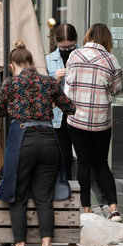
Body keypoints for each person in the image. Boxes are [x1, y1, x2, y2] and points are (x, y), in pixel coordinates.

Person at [0, 41, 76, 246]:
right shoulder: (48, 82)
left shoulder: (10, 84)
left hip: (23, 140)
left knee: (18, 196)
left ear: (12, 65)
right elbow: (70, 107)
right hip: (49, 140)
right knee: (44, 197)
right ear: (31, 62)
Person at [65, 23, 123, 222]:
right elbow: (118, 89)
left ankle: (86, 209)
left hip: (77, 118)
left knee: (83, 163)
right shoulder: (111, 59)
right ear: (107, 39)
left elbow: (68, 84)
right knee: (101, 163)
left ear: (88, 36)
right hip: (101, 120)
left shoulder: (74, 55)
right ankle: (114, 209)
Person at [45, 23, 79, 180]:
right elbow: (43, 90)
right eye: (63, 48)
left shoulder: (83, 56)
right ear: (56, 42)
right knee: (63, 156)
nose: (67, 51)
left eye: (70, 47)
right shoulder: (48, 60)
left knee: (83, 157)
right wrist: (55, 79)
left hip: (79, 112)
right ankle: (65, 188)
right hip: (58, 116)